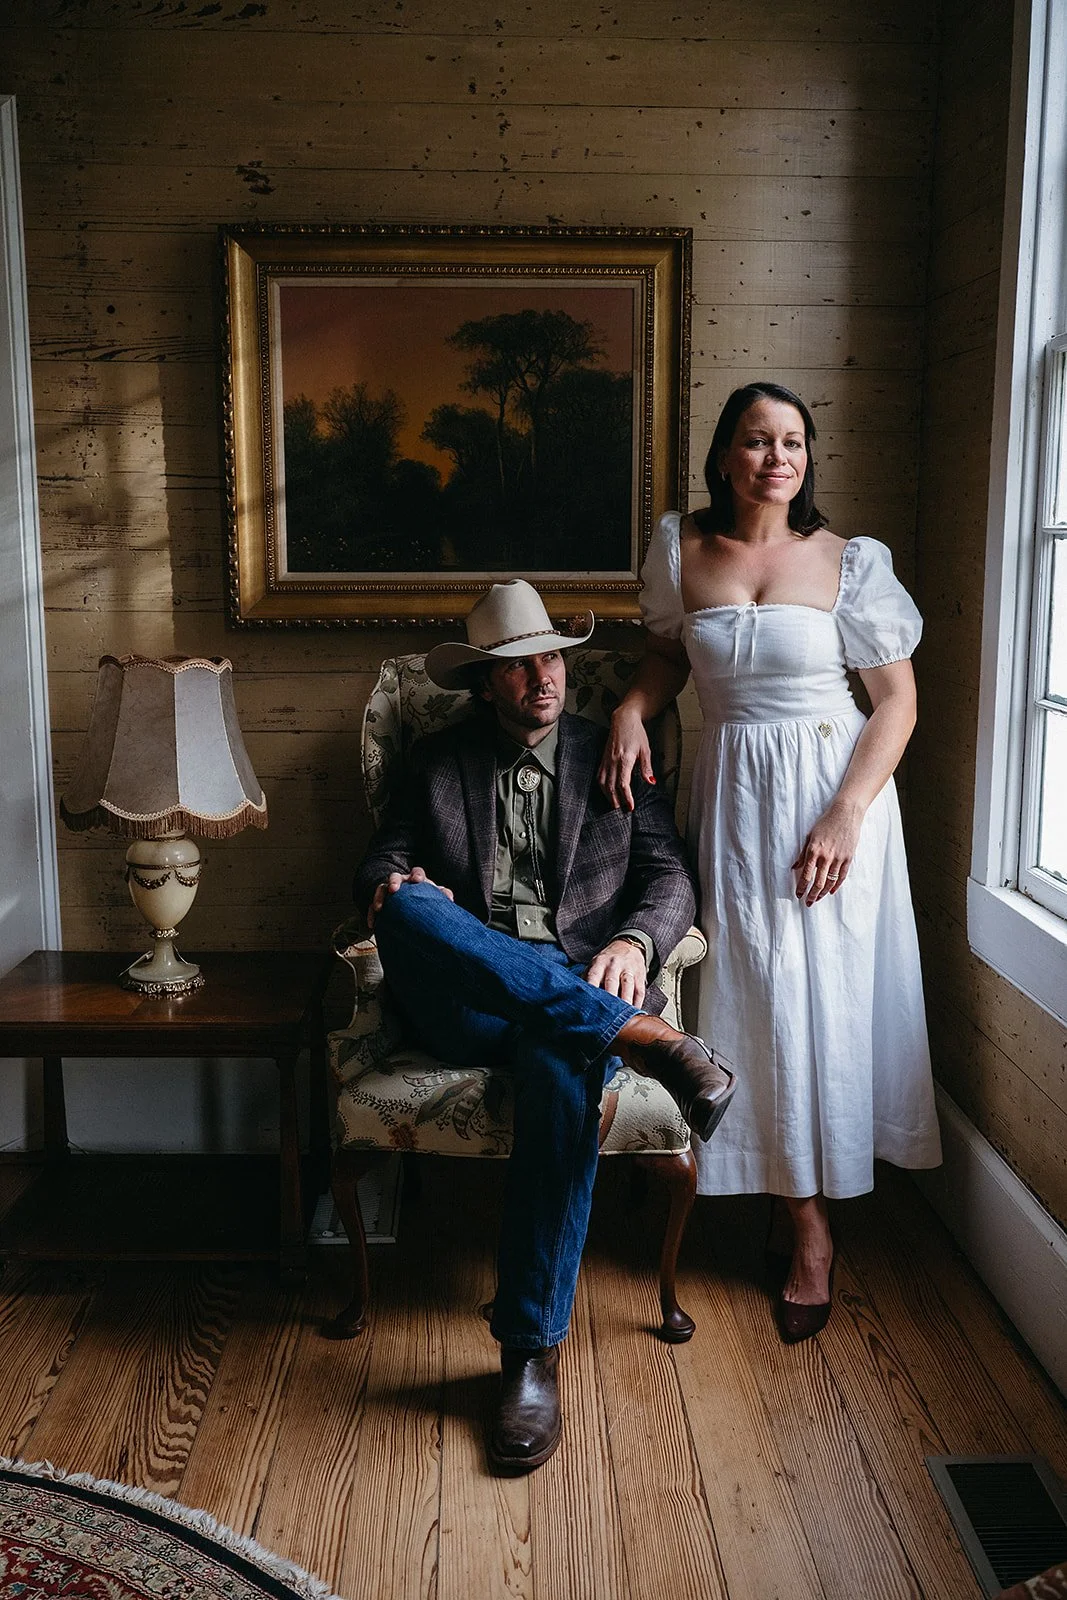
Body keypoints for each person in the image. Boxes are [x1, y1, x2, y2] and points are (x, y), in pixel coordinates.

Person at [353, 578, 735, 1473]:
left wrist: (639, 940)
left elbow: (669, 877)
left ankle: (527, 1355)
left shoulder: (613, 753)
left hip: (570, 990)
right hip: (463, 997)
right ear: (486, 683)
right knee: (405, 910)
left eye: (553, 658)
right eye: (520, 667)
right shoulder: (438, 761)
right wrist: (403, 882)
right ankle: (644, 1039)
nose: (544, 678)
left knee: (562, 1056)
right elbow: (380, 856)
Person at [599, 381, 941, 1343]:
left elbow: (896, 705)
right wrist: (631, 706)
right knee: (745, 995)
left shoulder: (846, 562)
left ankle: (810, 1232)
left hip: (829, 804)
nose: (776, 457)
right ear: (724, 457)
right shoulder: (681, 550)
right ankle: (758, 1184)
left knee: (809, 1000)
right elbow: (671, 659)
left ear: (806, 459)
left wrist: (843, 813)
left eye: (792, 442)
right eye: (757, 441)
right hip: (729, 793)